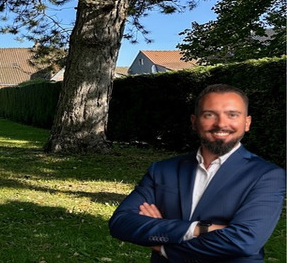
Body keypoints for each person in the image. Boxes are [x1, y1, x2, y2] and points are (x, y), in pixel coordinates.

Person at [109, 84, 285, 262]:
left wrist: (164, 246)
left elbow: (245, 240)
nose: (221, 124)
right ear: (194, 122)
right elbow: (120, 223)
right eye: (209, 114)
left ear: (247, 123)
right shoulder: (163, 170)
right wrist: (197, 229)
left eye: (232, 115)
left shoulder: (267, 175)